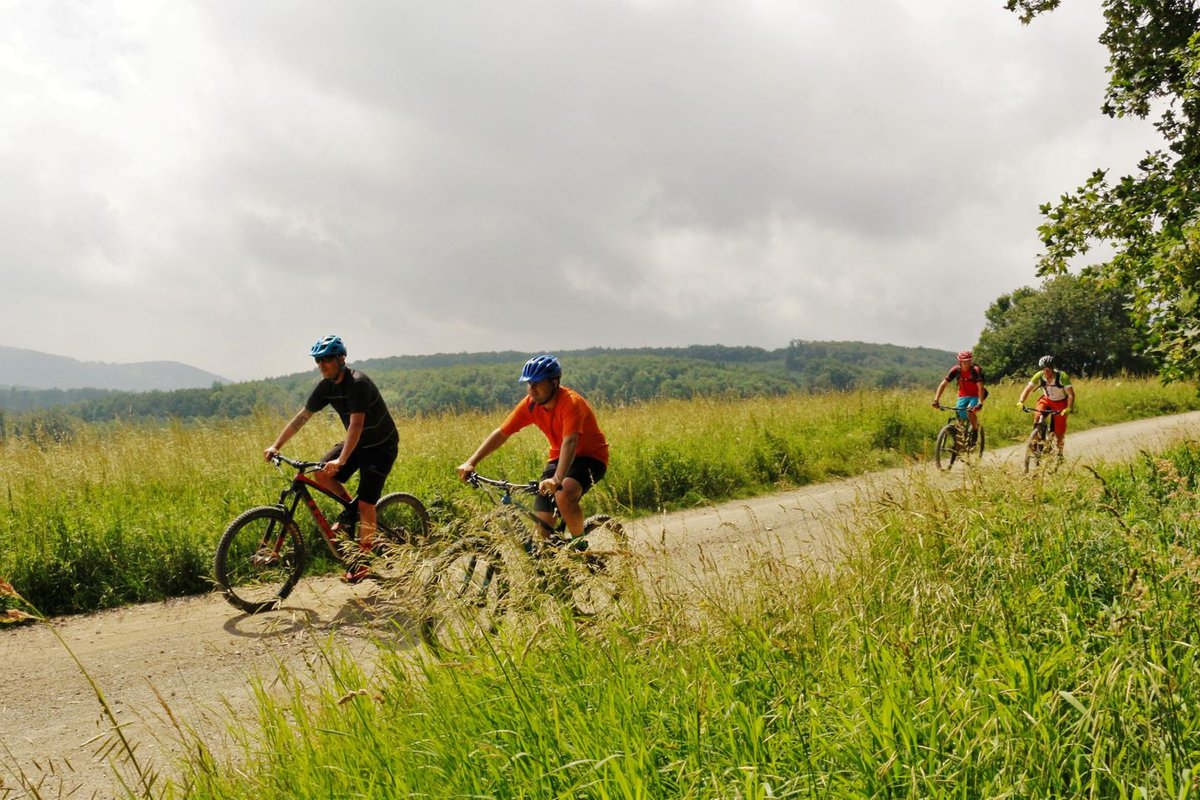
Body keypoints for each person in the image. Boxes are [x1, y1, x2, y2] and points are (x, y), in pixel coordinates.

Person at [264, 335, 400, 582]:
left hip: (381, 446)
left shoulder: (358, 383)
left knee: (367, 503)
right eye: (318, 360)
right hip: (356, 443)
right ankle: (351, 513)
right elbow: (302, 417)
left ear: (341, 358)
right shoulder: (326, 386)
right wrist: (276, 445)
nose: (322, 364)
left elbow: (356, 425)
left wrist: (342, 460)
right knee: (320, 472)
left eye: (327, 359)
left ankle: (363, 561)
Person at [456, 355, 609, 539]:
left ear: (554, 382)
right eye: (529, 383)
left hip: (591, 457)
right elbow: (502, 433)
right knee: (542, 530)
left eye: (537, 383)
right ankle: (558, 563)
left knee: (564, 494)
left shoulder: (571, 402)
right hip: (558, 457)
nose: (532, 388)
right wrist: (471, 462)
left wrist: (557, 479)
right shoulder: (530, 405)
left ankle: (582, 548)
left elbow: (570, 442)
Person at [1016, 355, 1076, 458]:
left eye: (1048, 369)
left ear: (1053, 368)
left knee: (1059, 433)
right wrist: (1021, 401)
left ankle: (1060, 453)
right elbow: (1028, 389)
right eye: (1044, 369)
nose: (1046, 372)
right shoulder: (1039, 375)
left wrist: (1068, 408)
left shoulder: (1062, 376)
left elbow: (1071, 394)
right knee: (1037, 416)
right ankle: (1035, 444)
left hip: (1060, 403)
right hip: (1046, 400)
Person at [932, 349, 986, 443]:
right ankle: (959, 445)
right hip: (963, 396)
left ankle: (975, 430)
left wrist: (981, 403)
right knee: (959, 417)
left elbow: (980, 387)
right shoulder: (955, 370)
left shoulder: (975, 370)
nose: (968, 363)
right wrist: (936, 400)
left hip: (976, 395)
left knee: (970, 410)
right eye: (965, 361)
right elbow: (943, 385)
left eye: (969, 361)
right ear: (960, 361)